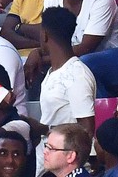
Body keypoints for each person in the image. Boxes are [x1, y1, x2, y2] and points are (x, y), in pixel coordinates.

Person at [39, 7, 96, 140]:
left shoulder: (77, 74)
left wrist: (44, 129)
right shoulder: (53, 72)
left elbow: (86, 130)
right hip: (47, 157)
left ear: (44, 34)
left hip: (65, 158)